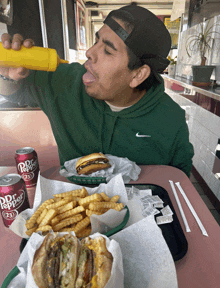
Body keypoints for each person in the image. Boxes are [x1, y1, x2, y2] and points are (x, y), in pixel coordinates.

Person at [0, 4, 194, 177]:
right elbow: (16, 92)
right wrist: (5, 74)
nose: (89, 53)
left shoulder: (171, 121)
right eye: (96, 41)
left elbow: (179, 180)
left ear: (138, 75)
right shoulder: (64, 81)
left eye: (108, 51)